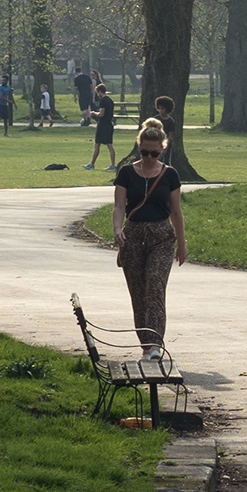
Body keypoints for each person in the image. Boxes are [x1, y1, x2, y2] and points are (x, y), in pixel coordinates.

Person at [112, 118, 186, 358]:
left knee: (155, 287)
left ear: (162, 150)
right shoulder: (126, 173)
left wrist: (182, 245)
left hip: (161, 236)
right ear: (139, 147)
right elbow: (119, 206)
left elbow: (176, 212)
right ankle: (145, 346)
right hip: (133, 236)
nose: (149, 157)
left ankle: (155, 344)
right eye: (144, 152)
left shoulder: (170, 175)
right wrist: (117, 229)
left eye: (154, 153)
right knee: (138, 292)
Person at [84, 82, 116, 170]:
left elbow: (101, 114)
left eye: (97, 93)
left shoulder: (103, 101)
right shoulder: (110, 100)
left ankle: (91, 164)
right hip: (109, 124)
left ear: (100, 91)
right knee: (109, 145)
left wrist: (94, 113)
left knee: (97, 144)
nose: (98, 95)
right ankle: (113, 164)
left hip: (102, 125)